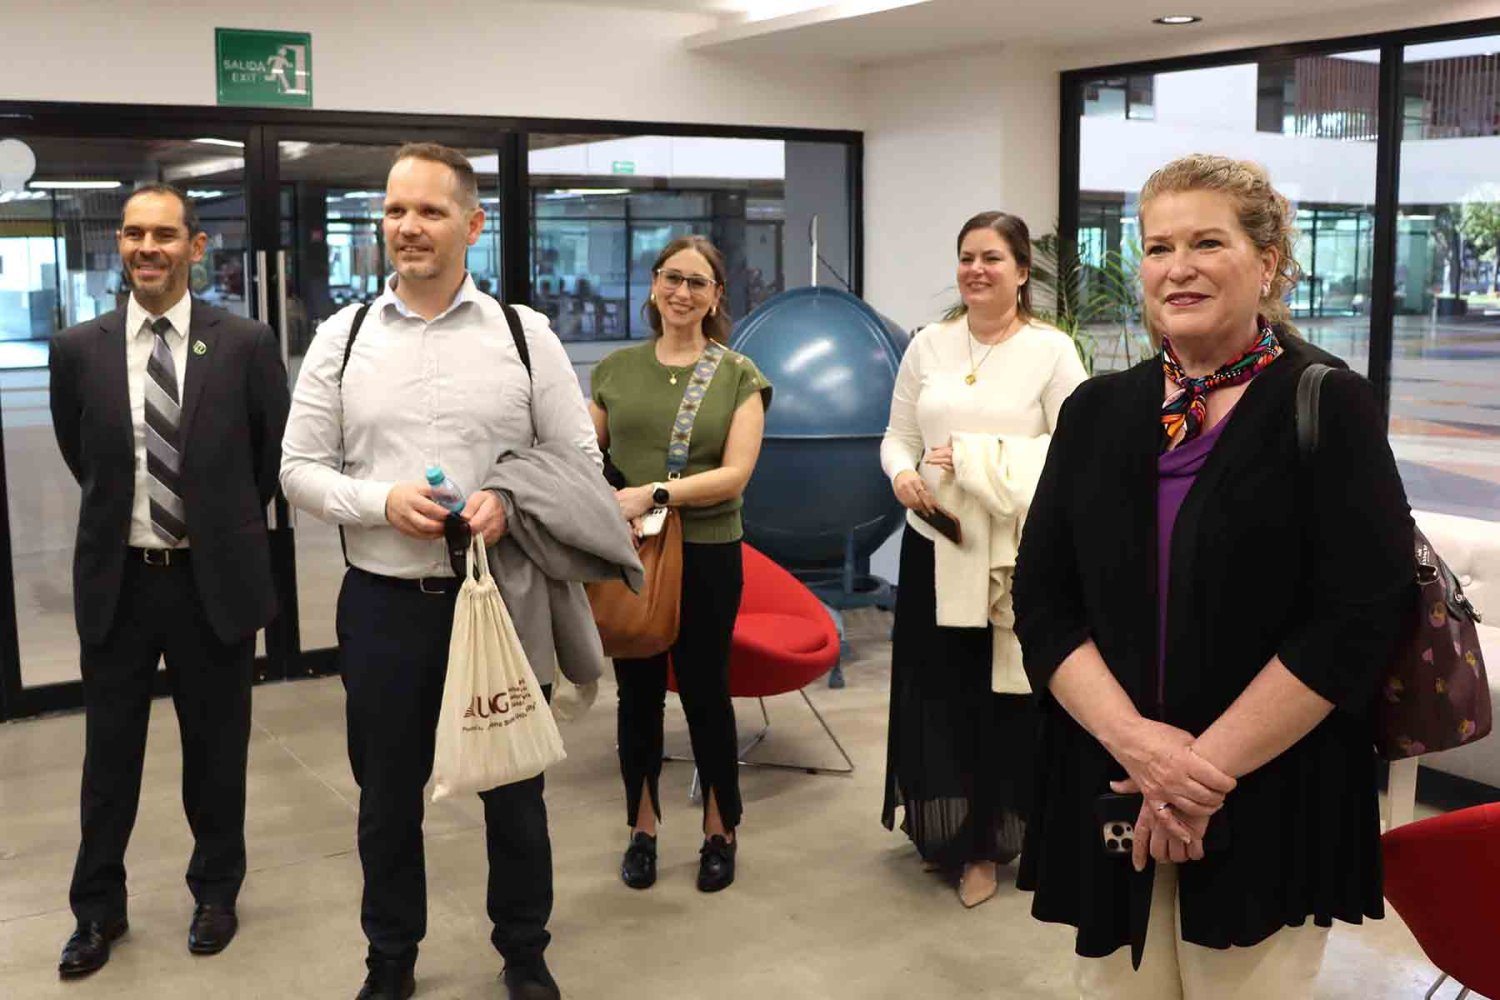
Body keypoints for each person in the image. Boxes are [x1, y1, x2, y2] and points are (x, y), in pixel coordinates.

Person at [1012, 155, 1414, 999]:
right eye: (1158, 247)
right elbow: (1044, 600)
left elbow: (1358, 617)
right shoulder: (1096, 413)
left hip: (1269, 791)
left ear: (1266, 263)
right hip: (1111, 782)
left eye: (1207, 242)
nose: (1178, 267)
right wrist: (1139, 748)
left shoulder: (1326, 405)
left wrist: (1195, 777)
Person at [280, 143, 604, 1000]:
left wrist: (508, 496)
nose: (408, 228)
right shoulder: (339, 340)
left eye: (428, 211)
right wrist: (379, 502)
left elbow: (577, 458)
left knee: (515, 792)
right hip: (383, 608)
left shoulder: (523, 337)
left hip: (499, 604)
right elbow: (297, 468)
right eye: (394, 211)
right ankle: (390, 960)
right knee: (386, 800)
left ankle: (524, 953)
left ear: (472, 223)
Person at [48, 183, 290, 977]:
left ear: (195, 246)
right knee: (107, 761)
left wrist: (210, 524)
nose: (145, 247)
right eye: (132, 234)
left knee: (216, 754)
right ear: (119, 244)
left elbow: (265, 460)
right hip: (119, 582)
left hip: (209, 583)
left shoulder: (246, 343)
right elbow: (84, 457)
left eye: (163, 234)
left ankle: (217, 892)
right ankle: (97, 912)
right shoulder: (79, 347)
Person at [879, 211, 1086, 909]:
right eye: (966, 257)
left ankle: (990, 847)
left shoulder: (1052, 351)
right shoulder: (929, 345)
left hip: (1012, 556)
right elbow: (897, 436)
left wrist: (978, 460)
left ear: (1023, 271)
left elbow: (1074, 451)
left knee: (1003, 700)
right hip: (934, 541)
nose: (976, 269)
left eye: (992, 258)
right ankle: (946, 831)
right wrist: (904, 476)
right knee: (938, 696)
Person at [588, 235, 771, 894]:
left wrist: (656, 493)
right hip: (631, 550)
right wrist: (612, 501)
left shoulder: (738, 375)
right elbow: (587, 453)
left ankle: (719, 832)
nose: (682, 293)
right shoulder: (614, 370)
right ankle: (642, 830)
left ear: (716, 296)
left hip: (707, 553)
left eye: (698, 282)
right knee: (634, 697)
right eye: (672, 278)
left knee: (704, 694)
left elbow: (735, 475)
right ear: (653, 285)